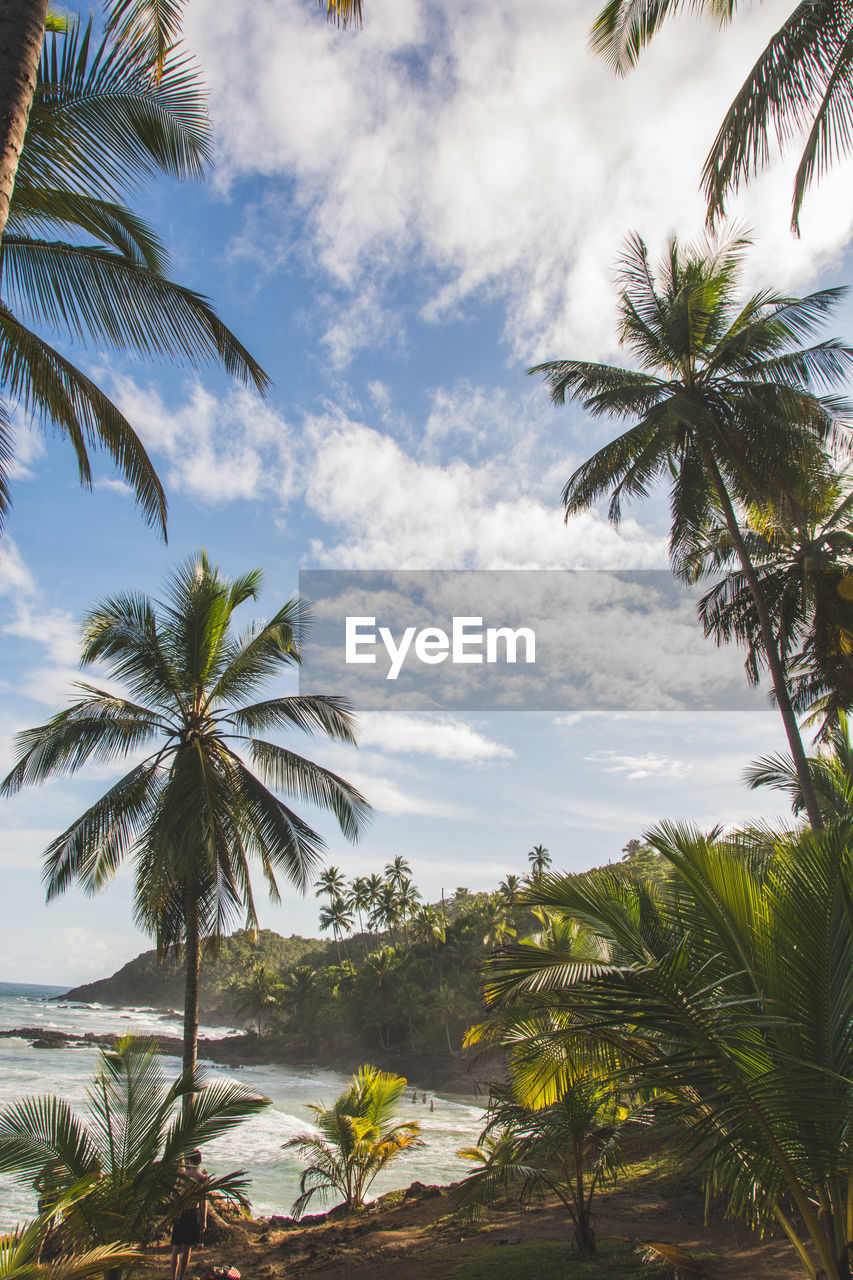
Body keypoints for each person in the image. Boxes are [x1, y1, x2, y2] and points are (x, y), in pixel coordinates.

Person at [170, 1150, 208, 1280]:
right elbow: (203, 1201)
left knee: (175, 1250)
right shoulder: (203, 1178)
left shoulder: (182, 1175)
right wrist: (204, 1221)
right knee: (187, 1249)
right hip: (193, 1214)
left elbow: (172, 1195)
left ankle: (173, 1278)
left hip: (181, 1213)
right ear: (199, 1161)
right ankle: (181, 1277)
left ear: (189, 1161)